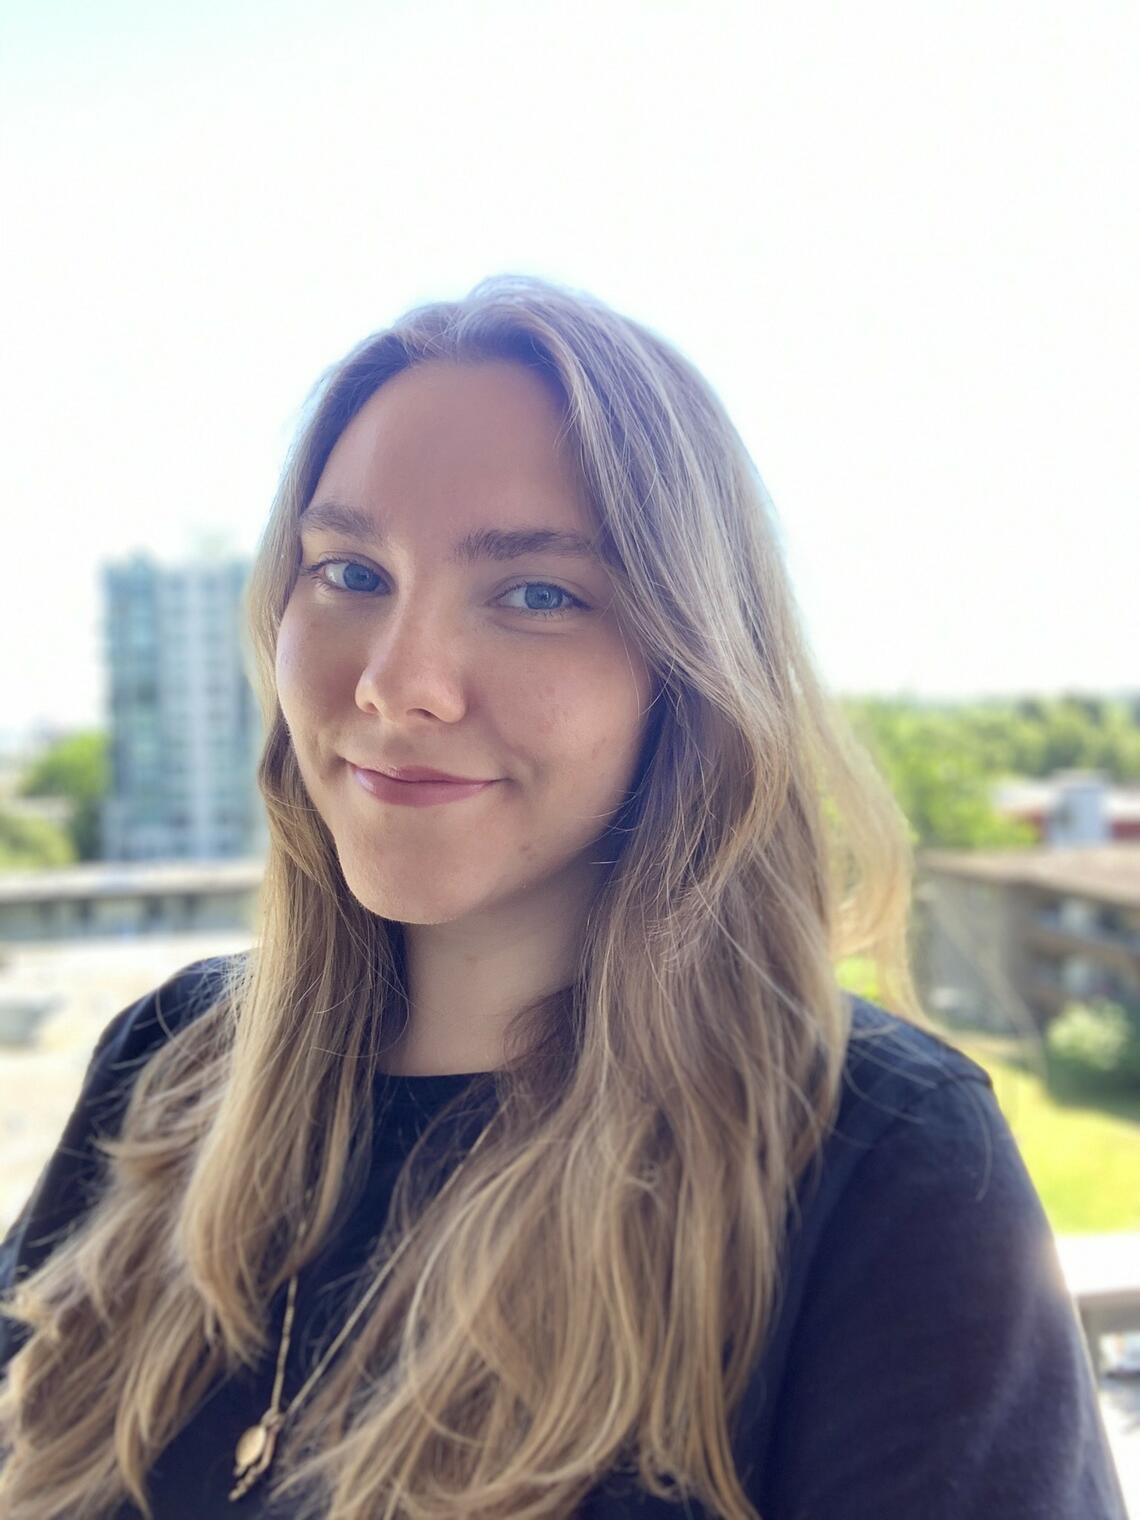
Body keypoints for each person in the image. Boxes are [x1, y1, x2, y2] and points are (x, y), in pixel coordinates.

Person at [0, 275, 1127, 1520]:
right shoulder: (166, 1066)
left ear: (689, 665)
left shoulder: (879, 1164)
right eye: (349, 571)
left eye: (538, 592)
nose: (397, 683)